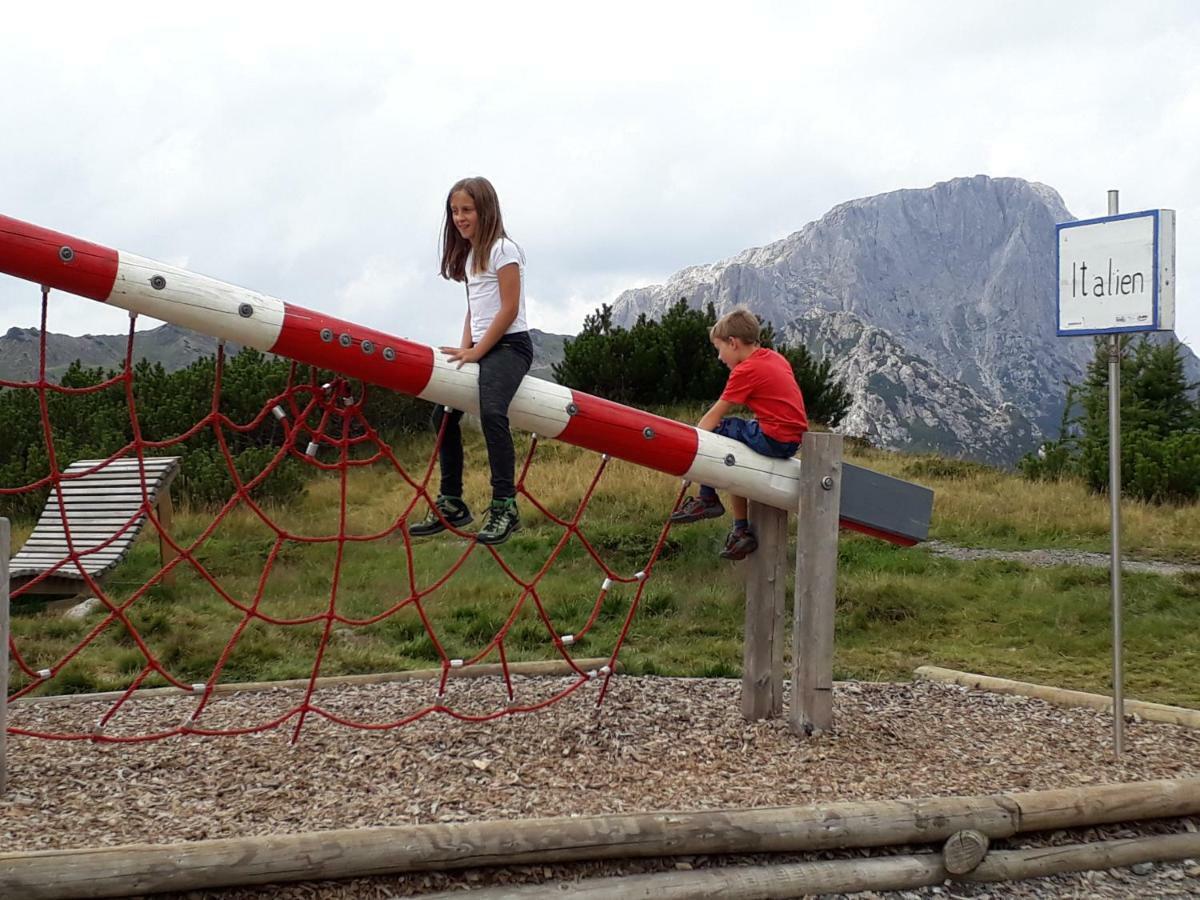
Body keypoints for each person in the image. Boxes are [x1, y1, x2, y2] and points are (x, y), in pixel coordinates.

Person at [410, 176, 532, 545]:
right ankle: (452, 501)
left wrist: (478, 352)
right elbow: (473, 310)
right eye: (454, 211)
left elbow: (509, 309)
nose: (460, 218)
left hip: (510, 346)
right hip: (481, 345)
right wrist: (464, 351)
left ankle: (505, 505)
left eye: (467, 210)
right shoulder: (469, 257)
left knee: (493, 412)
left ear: (485, 210)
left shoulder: (503, 250)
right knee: (442, 413)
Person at [669, 307, 808, 560]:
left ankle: (707, 498)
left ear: (732, 343)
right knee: (737, 455)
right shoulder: (775, 359)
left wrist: (692, 454)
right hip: (791, 440)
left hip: (773, 438)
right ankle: (740, 531)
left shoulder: (745, 371)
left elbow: (714, 416)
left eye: (719, 349)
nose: (720, 358)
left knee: (720, 433)